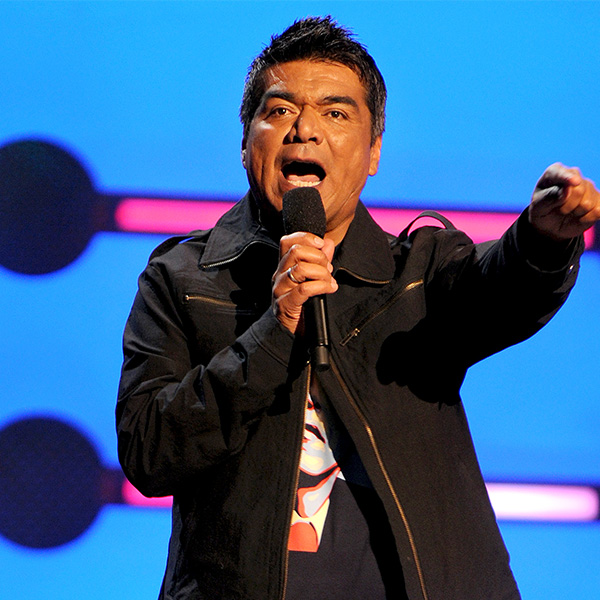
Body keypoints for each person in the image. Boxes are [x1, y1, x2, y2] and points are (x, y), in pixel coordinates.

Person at [116, 16, 600, 600]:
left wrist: (541, 241)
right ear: (245, 143)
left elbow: (497, 288)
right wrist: (274, 331)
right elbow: (148, 451)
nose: (304, 130)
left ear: (373, 153)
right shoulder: (184, 278)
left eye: (336, 114)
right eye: (279, 111)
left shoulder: (416, 275)